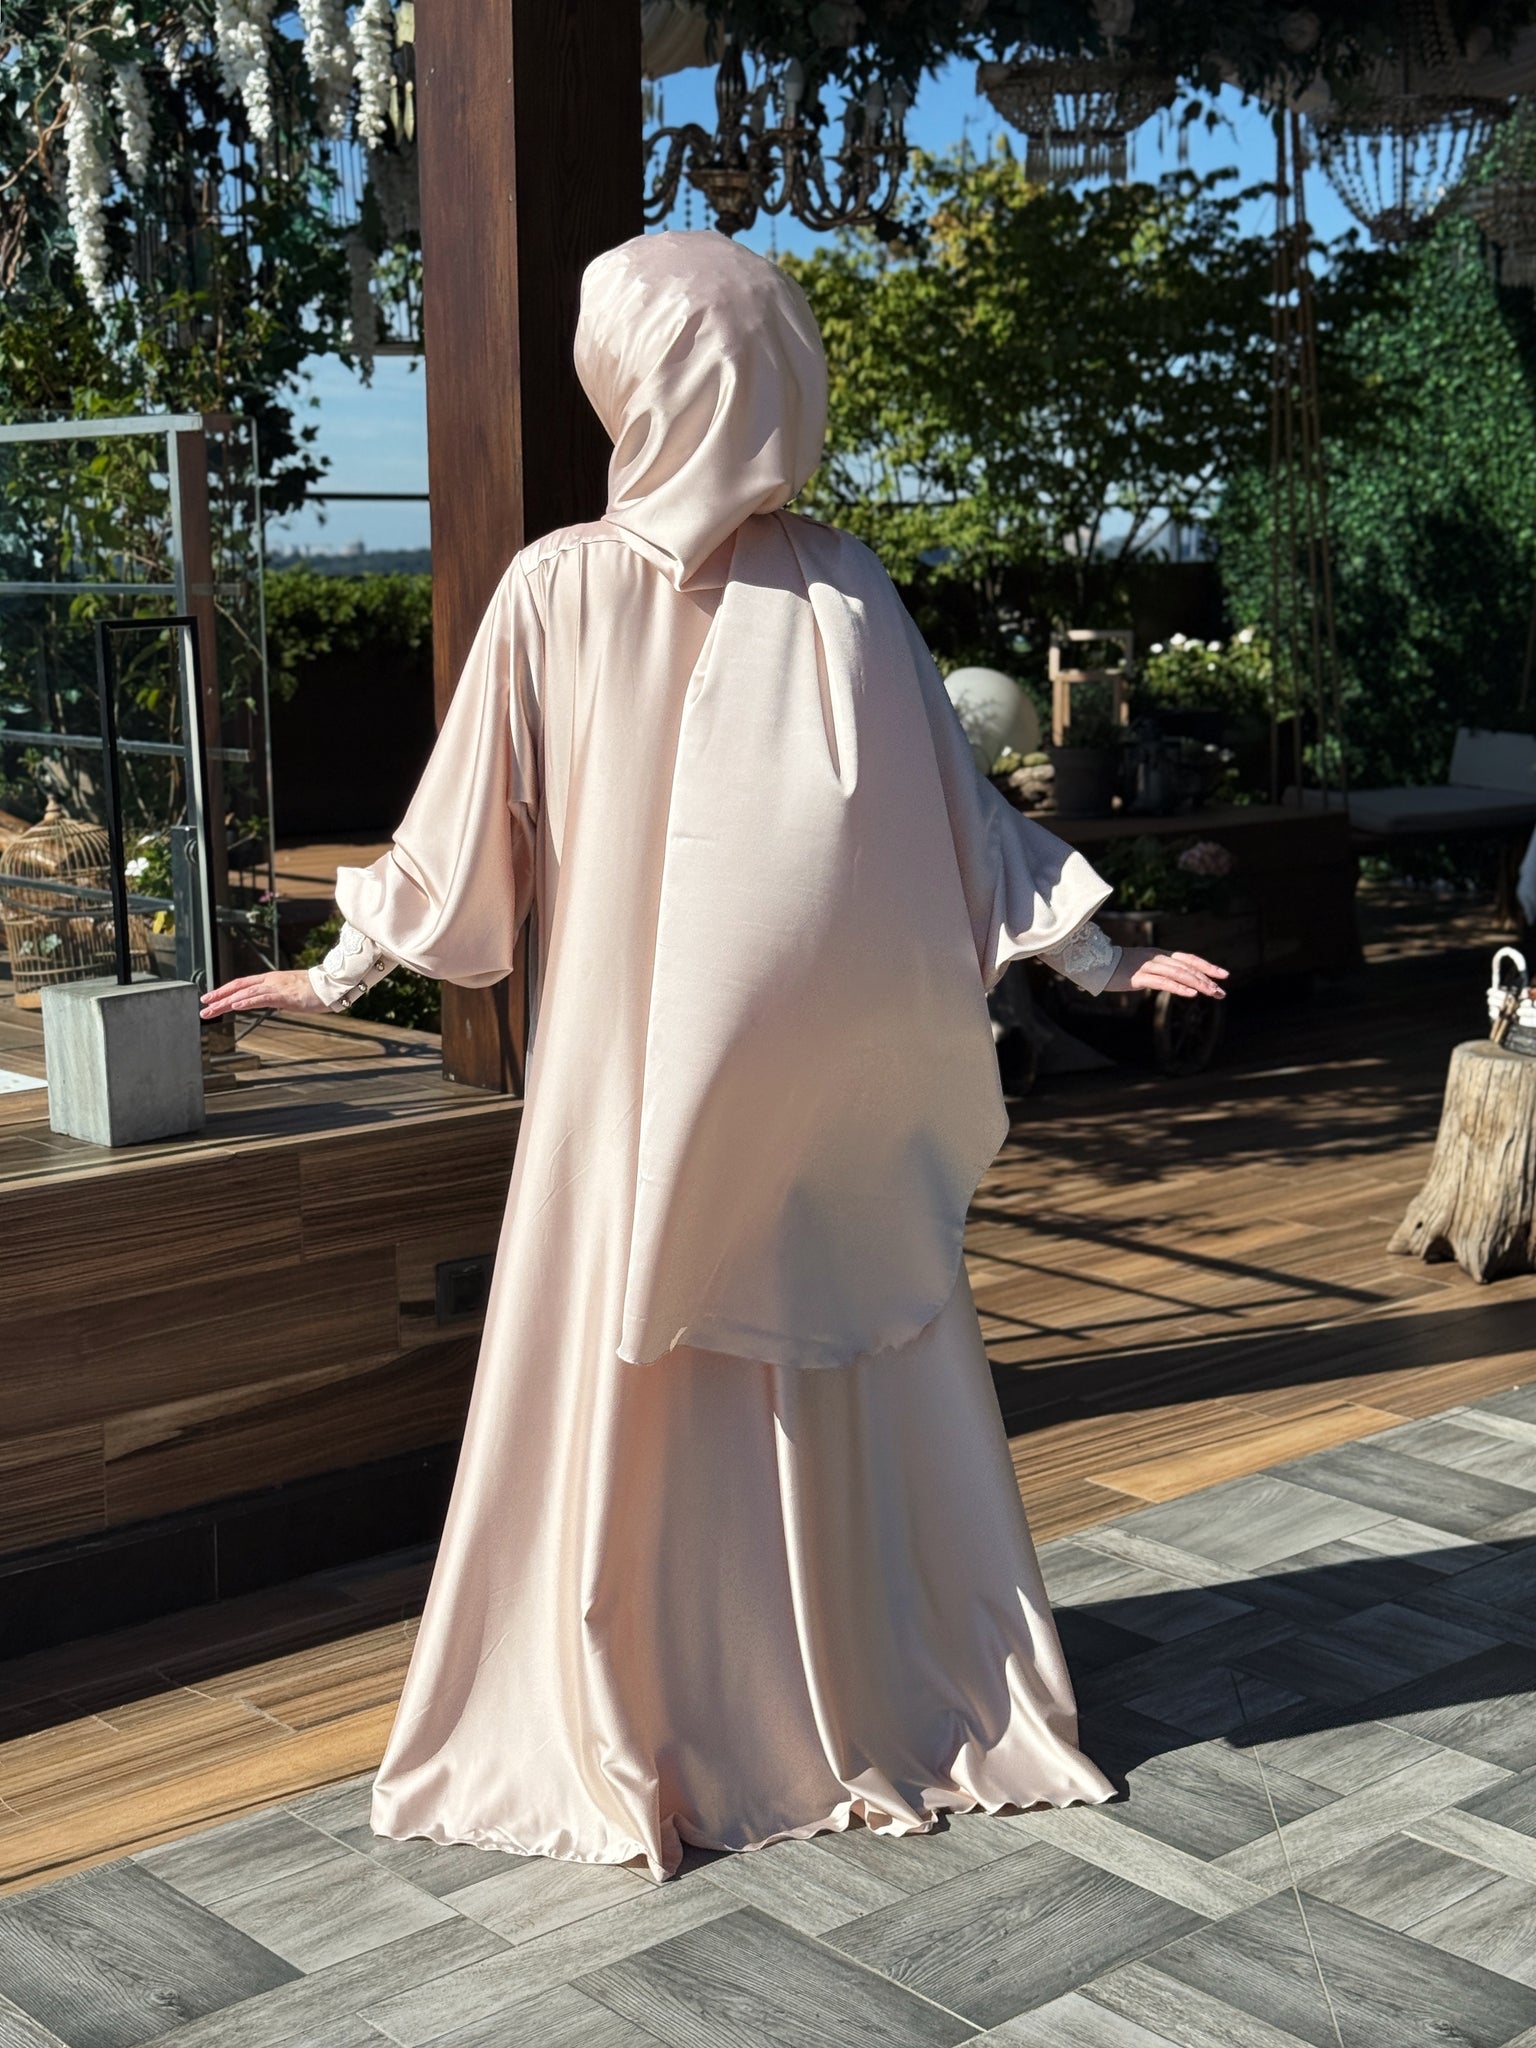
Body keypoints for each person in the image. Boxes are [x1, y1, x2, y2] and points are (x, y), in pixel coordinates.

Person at [202, 230, 1226, 1881]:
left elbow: (461, 845)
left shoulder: (585, 586)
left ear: (636, 382)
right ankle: (828, 1687)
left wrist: (337, 970)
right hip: (764, 1094)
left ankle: (665, 1701)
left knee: (642, 1362)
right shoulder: (817, 585)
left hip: (630, 1095)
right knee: (803, 1345)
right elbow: (957, 826)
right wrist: (1092, 953)